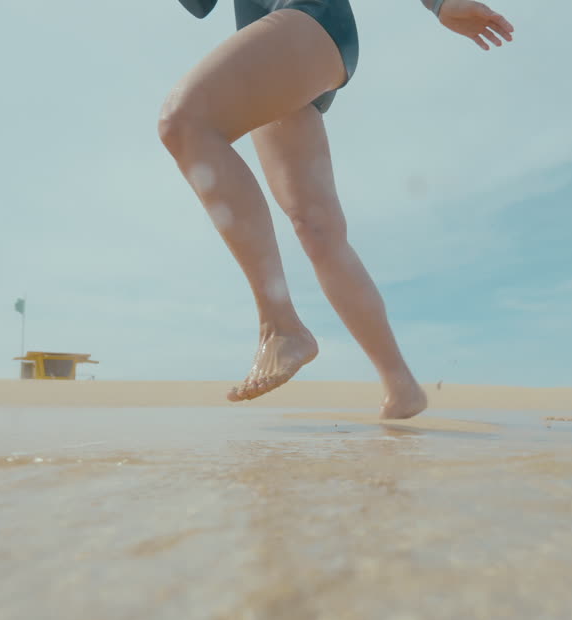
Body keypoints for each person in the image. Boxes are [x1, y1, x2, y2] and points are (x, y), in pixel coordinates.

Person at [159, 0, 514, 419]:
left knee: (184, 121)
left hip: (312, 18)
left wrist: (438, 4)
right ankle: (401, 386)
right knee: (316, 227)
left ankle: (280, 325)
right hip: (274, 42)